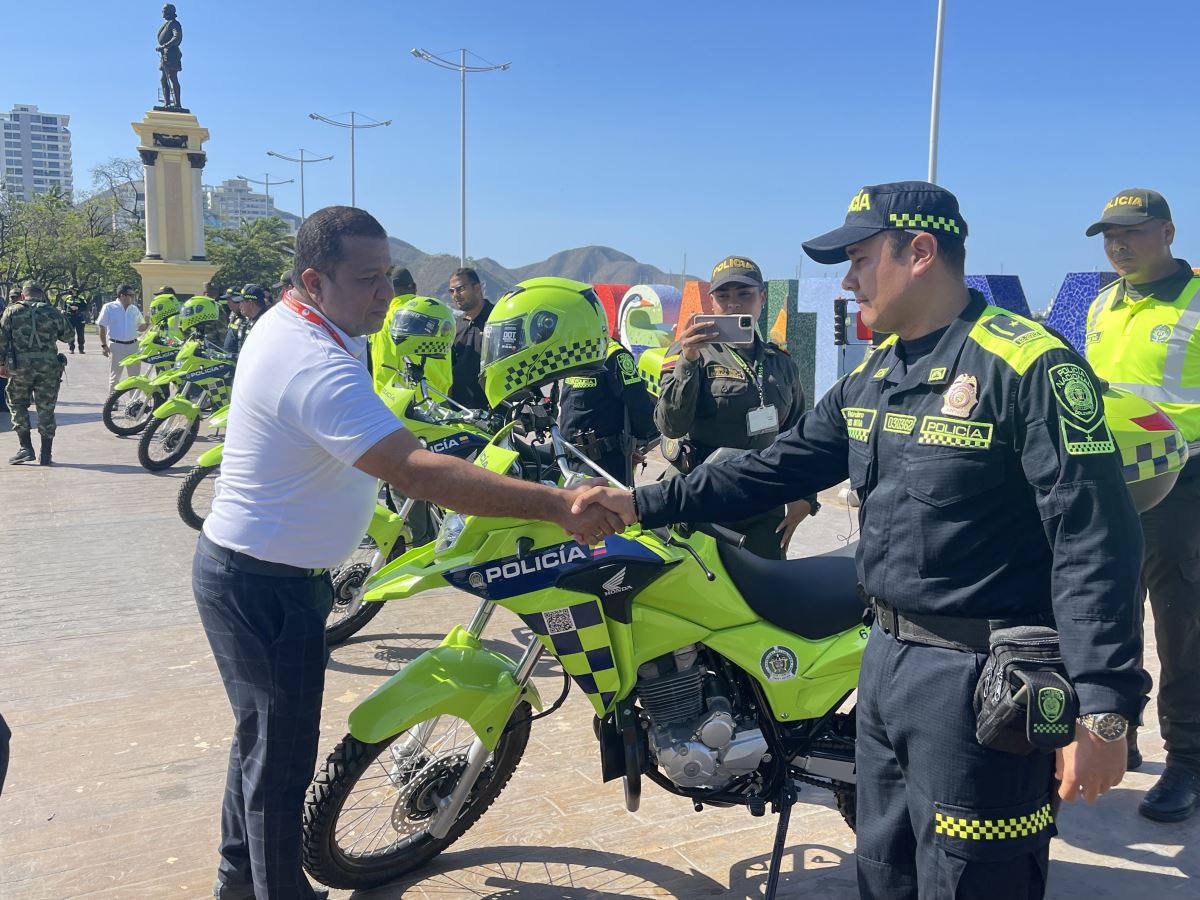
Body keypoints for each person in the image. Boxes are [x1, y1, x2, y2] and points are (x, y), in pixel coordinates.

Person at [574, 182, 1147, 900]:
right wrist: (640, 503)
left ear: (920, 252)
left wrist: (1104, 706)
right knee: (884, 872)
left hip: (979, 683)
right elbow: (772, 468)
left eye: (858, 258)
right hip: (884, 666)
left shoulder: (1028, 367)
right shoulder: (877, 374)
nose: (846, 279)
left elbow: (1095, 540)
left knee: (975, 882)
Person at [193, 206, 621, 900]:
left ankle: (237, 881)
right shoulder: (312, 359)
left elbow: (387, 427)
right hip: (264, 583)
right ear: (314, 279)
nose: (386, 296)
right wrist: (558, 505)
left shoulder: (307, 323)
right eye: (367, 280)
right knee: (280, 762)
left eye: (388, 277)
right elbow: (412, 470)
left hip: (255, 571)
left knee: (260, 743)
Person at [1083, 188, 1200, 821]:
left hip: (1185, 486)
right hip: (1113, 484)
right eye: (1109, 235)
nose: (1119, 244)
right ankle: (1116, 732)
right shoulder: (1103, 303)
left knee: (1182, 627)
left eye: (1132, 232)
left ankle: (1188, 760)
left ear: (1170, 232)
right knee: (1107, 613)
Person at [655, 256, 811, 558]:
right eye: (723, 296)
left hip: (762, 502)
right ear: (712, 303)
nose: (734, 304)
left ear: (762, 299)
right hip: (702, 498)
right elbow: (670, 425)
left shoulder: (780, 362)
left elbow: (800, 433)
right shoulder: (691, 351)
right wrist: (688, 360)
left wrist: (806, 497)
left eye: (744, 294)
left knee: (764, 595)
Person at [557, 336, 658, 485]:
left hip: (583, 465)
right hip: (591, 466)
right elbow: (641, 413)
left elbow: (639, 407)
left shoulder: (576, 349)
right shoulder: (614, 354)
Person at [0, 280, 72, 465]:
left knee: (17, 404)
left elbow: (1, 339)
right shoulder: (52, 311)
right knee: (46, 407)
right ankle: (46, 453)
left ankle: (25, 448)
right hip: (48, 368)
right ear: (41, 295)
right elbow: (68, 336)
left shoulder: (12, 311)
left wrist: (1, 364)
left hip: (19, 368)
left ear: (23, 295)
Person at [447, 266, 494, 409]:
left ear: (477, 287)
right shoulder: (453, 326)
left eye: (460, 288)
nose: (455, 295)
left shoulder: (498, 319)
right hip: (460, 414)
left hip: (494, 413)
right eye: (452, 291)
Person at [368, 266, 417, 392]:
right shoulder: (435, 315)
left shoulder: (385, 319)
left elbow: (383, 372)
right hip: (440, 403)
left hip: (404, 406)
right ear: (414, 288)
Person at [98, 284, 148, 391]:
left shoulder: (134, 309)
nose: (133, 297)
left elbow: (140, 328)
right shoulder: (109, 307)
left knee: (134, 377)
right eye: (131, 295)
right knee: (115, 376)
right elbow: (102, 326)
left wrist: (147, 323)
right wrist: (103, 345)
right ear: (122, 295)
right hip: (116, 346)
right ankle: (113, 402)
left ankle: (133, 402)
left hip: (133, 346)